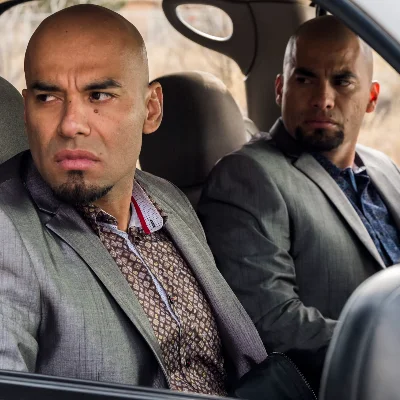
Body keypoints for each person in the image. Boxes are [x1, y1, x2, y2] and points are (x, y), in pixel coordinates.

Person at [0, 4, 267, 395]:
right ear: (26, 111)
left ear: (151, 109)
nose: (71, 124)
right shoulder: (7, 230)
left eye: (99, 95)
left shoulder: (168, 199)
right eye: (48, 97)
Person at [198, 15, 400, 391]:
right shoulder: (248, 176)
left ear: (371, 98)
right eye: (304, 79)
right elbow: (273, 321)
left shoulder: (384, 168)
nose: (323, 99)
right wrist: (388, 350)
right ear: (281, 89)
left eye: (342, 81)